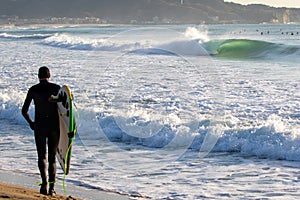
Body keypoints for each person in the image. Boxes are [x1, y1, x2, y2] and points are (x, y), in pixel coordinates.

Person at [22, 66, 60, 196]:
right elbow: (67, 109)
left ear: (38, 76)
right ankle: (52, 188)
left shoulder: (33, 89)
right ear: (49, 75)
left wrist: (31, 123)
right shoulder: (56, 88)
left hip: (40, 126)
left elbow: (24, 111)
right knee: (52, 158)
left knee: (42, 157)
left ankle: (44, 183)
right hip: (54, 127)